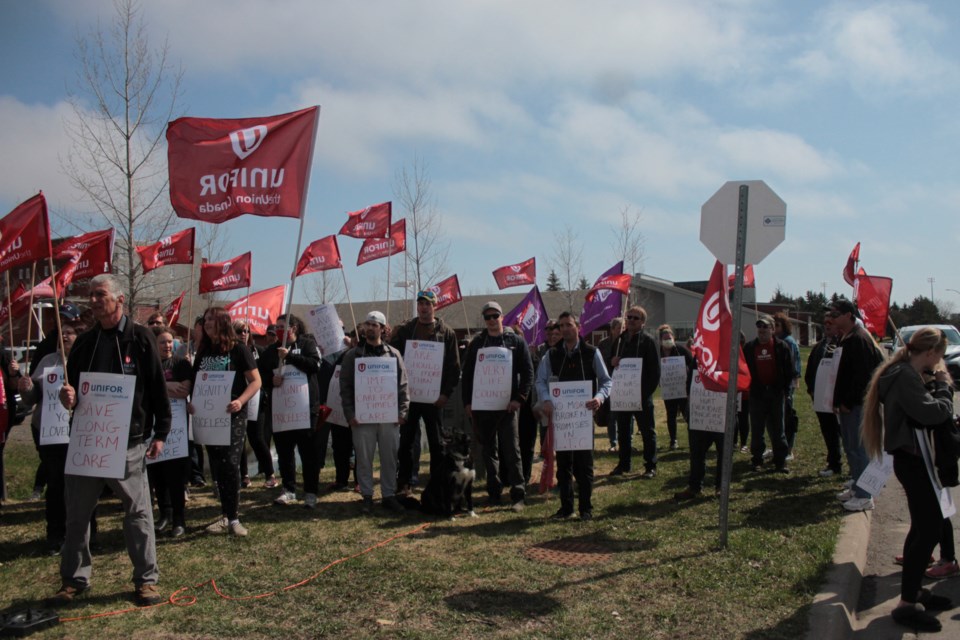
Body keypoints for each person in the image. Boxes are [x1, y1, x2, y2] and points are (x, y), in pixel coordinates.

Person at [50, 274, 170, 607]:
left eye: (100, 294)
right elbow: (72, 392)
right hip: (87, 442)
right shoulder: (85, 343)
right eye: (91, 295)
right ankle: (73, 579)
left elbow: (159, 391)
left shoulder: (141, 339)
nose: (93, 300)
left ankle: (146, 580)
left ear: (119, 300)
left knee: (138, 513)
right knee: (76, 514)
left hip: (128, 443)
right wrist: (67, 397)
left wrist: (161, 433)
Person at [860, 326, 954, 632]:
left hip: (915, 458)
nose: (940, 361)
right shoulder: (904, 376)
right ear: (930, 353)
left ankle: (914, 592)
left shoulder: (905, 373)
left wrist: (934, 385)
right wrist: (943, 388)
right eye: (939, 355)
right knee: (927, 530)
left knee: (925, 526)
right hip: (914, 460)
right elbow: (933, 414)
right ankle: (906, 605)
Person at [191, 307, 261, 536]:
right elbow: (194, 383)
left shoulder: (239, 349)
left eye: (211, 319)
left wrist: (240, 401)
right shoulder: (203, 351)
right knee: (218, 465)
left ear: (222, 322)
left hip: (233, 416)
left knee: (231, 464)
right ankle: (224, 515)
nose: (206, 323)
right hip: (208, 417)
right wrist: (190, 402)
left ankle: (233, 519)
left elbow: (255, 381)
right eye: (205, 319)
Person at [535, 312, 611, 520]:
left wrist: (599, 398)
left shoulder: (591, 352)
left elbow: (606, 381)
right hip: (561, 418)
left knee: (584, 465)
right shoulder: (551, 355)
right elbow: (540, 381)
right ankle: (566, 509)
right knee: (564, 466)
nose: (565, 329)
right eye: (561, 326)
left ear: (578, 327)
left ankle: (586, 508)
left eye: (569, 325)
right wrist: (546, 399)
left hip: (583, 419)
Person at [461, 301, 534, 511]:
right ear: (484, 320)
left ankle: (518, 494)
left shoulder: (516, 342)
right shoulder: (477, 343)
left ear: (502, 317)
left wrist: (519, 399)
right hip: (483, 407)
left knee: (512, 450)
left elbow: (528, 374)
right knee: (488, 451)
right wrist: (467, 403)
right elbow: (467, 376)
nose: (492, 320)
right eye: (488, 317)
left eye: (495, 316)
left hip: (507, 407)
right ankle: (494, 493)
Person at [18, 323, 83, 553]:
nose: (64, 335)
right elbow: (32, 398)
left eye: (70, 332)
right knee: (56, 483)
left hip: (79, 431)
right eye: (61, 332)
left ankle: (86, 533)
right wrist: (26, 389)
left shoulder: (85, 359)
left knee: (81, 485)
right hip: (50, 433)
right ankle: (55, 534)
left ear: (79, 336)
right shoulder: (47, 362)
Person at [390, 290, 460, 495]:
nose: (423, 307)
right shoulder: (406, 330)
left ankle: (436, 483)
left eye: (427, 304)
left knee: (437, 444)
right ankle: (405, 483)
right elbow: (392, 356)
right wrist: (391, 334)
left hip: (435, 399)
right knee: (407, 442)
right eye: (420, 304)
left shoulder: (446, 333)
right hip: (410, 398)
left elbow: (454, 368)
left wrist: (445, 394)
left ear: (434, 306)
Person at [339, 311, 410, 514]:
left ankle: (388, 495)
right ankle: (367, 496)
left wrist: (402, 412)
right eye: (367, 324)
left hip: (389, 417)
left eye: (375, 324)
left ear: (383, 328)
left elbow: (403, 384)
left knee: (389, 457)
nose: (370, 328)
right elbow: (345, 387)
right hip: (362, 418)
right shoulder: (353, 356)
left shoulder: (393, 354)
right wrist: (350, 413)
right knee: (364, 457)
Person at [260, 313, 321, 507]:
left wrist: (291, 357)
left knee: (308, 452)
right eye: (276, 326)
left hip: (305, 410)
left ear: (293, 328)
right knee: (284, 453)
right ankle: (289, 489)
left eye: (282, 326)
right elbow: (259, 377)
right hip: (282, 411)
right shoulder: (270, 352)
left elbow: (315, 365)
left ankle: (311, 492)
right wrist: (271, 381)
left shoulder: (308, 344)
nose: (278, 329)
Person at [831, 298, 885, 512]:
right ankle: (857, 485)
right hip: (848, 405)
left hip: (855, 405)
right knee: (851, 448)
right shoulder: (848, 338)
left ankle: (865, 495)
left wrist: (846, 401)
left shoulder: (858, 339)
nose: (833, 318)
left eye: (836, 314)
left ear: (849, 315)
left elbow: (862, 377)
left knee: (858, 448)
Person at [147, 328, 192, 538]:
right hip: (155, 426)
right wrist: (169, 385)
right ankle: (164, 514)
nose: (167, 346)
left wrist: (161, 386)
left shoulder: (181, 364)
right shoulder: (149, 365)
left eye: (170, 342)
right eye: (162, 342)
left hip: (177, 429)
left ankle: (179, 519)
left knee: (176, 476)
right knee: (158, 474)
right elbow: (144, 389)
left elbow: (184, 390)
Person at [609, 306, 661, 478]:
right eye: (629, 317)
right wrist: (613, 361)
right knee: (623, 431)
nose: (631, 320)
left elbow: (655, 372)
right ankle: (624, 464)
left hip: (641, 396)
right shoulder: (619, 340)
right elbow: (610, 365)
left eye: (635, 318)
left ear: (643, 322)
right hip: (623, 395)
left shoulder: (648, 341)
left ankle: (650, 466)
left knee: (647, 431)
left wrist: (644, 393)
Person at [743, 315, 793, 474]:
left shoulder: (782, 346)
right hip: (757, 394)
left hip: (776, 394)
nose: (762, 330)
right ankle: (757, 460)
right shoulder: (750, 347)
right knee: (757, 429)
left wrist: (784, 390)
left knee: (778, 429)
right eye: (760, 327)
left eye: (765, 327)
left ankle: (780, 462)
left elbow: (788, 370)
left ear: (772, 329)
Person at [234, 320, 276, 489]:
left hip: (256, 399)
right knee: (239, 438)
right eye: (239, 331)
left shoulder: (258, 351)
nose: (243, 334)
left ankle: (270, 474)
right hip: (238, 399)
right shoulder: (232, 352)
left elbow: (266, 374)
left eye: (246, 331)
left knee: (257, 437)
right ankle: (244, 475)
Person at [805, 313, 842, 478]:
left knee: (843, 432)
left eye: (831, 323)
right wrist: (811, 388)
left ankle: (855, 469)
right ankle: (834, 463)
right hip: (820, 398)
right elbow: (811, 369)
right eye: (825, 323)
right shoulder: (819, 346)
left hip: (837, 398)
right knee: (828, 431)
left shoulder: (842, 344)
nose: (827, 326)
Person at [657, 324, 695, 450]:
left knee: (687, 414)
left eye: (670, 338)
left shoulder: (682, 350)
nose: (668, 341)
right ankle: (673, 440)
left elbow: (693, 364)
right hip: (668, 390)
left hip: (682, 388)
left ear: (674, 338)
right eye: (665, 338)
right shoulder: (658, 352)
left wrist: (687, 371)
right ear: (661, 340)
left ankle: (693, 438)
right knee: (671, 415)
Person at [773, 313, 802, 459]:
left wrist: (792, 383)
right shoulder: (774, 341)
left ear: (784, 326)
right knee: (777, 419)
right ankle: (777, 446)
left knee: (787, 417)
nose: (774, 328)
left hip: (786, 386)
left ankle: (788, 449)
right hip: (774, 386)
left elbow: (794, 365)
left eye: (777, 325)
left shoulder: (788, 342)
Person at [596, 317, 623, 451]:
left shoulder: (627, 342)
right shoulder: (603, 344)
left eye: (624, 328)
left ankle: (627, 441)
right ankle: (613, 442)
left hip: (625, 383)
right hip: (610, 383)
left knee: (626, 414)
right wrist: (610, 361)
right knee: (612, 414)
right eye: (619, 328)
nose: (622, 331)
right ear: (612, 330)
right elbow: (599, 364)